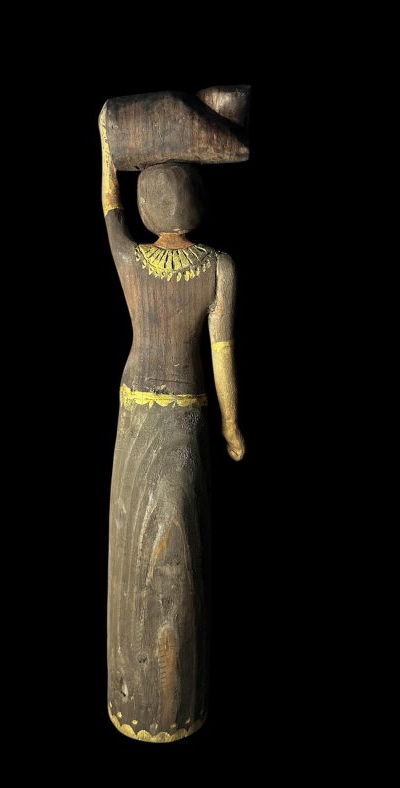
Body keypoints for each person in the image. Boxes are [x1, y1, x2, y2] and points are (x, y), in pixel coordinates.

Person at [100, 103, 244, 742]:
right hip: (185, 415)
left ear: (149, 206)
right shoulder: (218, 268)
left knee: (135, 549)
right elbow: (223, 358)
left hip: (135, 410)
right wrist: (232, 428)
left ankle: (141, 702)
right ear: (196, 203)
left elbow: (109, 207)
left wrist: (106, 148)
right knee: (178, 551)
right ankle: (169, 702)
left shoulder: (131, 258)